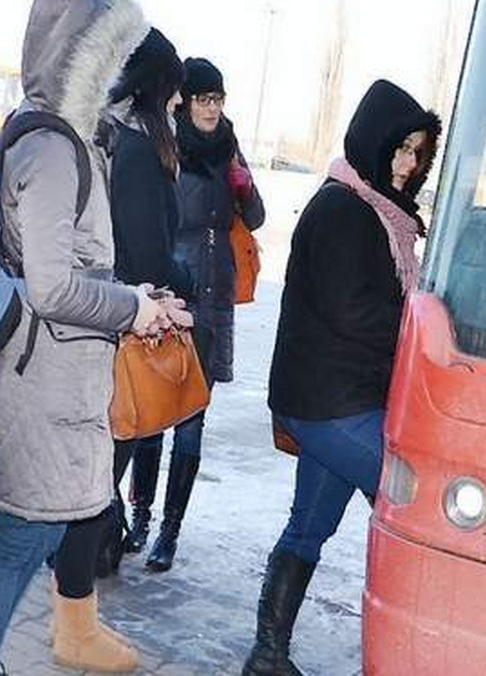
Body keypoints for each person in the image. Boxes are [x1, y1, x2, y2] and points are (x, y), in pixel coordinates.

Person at [0, 2, 170, 674]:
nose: (121, 76)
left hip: (54, 376)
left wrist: (137, 299)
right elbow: (51, 287)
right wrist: (131, 307)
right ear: (86, 58)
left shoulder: (58, 139)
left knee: (24, 532)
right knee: (19, 536)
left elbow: (73, 268)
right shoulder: (52, 149)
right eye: (113, 56)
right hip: (43, 384)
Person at [242, 80, 440, 676]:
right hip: (333, 406)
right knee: (415, 509)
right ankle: (406, 655)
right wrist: (422, 332)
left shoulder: (377, 212)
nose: (406, 165)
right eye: (399, 149)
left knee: (309, 526)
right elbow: (356, 312)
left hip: (330, 400)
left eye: (417, 153)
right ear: (372, 142)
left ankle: (266, 655)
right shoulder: (345, 209)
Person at [120, 57, 267, 571]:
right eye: (203, 99)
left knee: (192, 417)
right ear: (187, 102)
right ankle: (139, 516)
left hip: (214, 292)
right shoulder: (169, 147)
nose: (211, 109)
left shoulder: (229, 148)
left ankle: (170, 531)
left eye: (218, 100)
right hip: (172, 289)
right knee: (153, 411)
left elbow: (256, 216)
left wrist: (242, 182)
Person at [102, 27, 196, 576]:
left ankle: (85, 556)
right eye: (176, 90)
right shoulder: (137, 149)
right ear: (156, 88)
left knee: (112, 445)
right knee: (114, 444)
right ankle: (81, 561)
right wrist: (183, 276)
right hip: (128, 319)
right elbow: (147, 253)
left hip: (119, 314)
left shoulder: (123, 140)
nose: (180, 102)